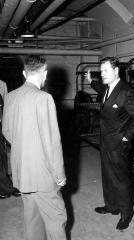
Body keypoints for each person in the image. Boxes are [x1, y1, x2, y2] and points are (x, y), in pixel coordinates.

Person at [2, 55, 67, 240]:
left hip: (22, 171)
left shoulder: (11, 96)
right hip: (43, 174)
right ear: (44, 73)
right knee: (56, 219)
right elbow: (52, 141)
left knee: (32, 219)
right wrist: (59, 175)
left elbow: (6, 131)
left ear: (24, 73)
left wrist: (25, 147)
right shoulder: (44, 98)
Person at [86, 56, 134, 231]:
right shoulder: (107, 88)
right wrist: (91, 81)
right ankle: (111, 206)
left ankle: (126, 214)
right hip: (105, 140)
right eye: (101, 70)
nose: (102, 74)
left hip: (119, 143)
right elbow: (100, 88)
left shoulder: (127, 92)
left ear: (116, 71)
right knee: (107, 174)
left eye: (105, 70)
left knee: (121, 179)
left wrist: (126, 137)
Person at [0, 79, 21, 199]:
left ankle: (5, 185)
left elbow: (6, 107)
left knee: (2, 155)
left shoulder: (2, 84)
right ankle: (5, 187)